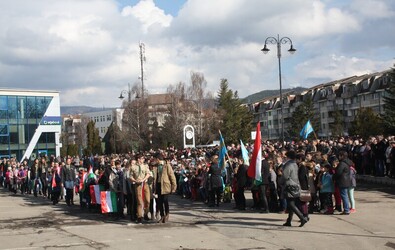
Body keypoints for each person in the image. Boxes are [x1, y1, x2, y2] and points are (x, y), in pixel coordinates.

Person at [281, 150, 308, 227]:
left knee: (291, 203)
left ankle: (302, 217)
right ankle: (289, 220)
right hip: (295, 185)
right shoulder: (295, 164)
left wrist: (281, 181)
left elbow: (285, 176)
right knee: (291, 204)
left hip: (289, 185)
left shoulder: (288, 165)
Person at [154, 155, 177, 223]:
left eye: (156, 159)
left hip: (165, 185)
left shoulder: (167, 165)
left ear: (158, 159)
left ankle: (167, 214)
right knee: (159, 202)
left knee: (165, 200)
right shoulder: (156, 166)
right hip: (158, 185)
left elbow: (172, 176)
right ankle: (162, 216)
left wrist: (174, 186)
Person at [129, 154, 151, 224]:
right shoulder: (133, 167)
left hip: (145, 184)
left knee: (147, 200)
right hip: (138, 185)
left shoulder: (145, 166)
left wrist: (143, 179)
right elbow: (130, 176)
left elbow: (148, 174)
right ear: (138, 159)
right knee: (139, 201)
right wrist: (135, 180)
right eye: (141, 158)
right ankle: (139, 216)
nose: (142, 160)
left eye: (143, 159)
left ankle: (146, 213)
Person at [334, 150, 352, 215]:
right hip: (346, 181)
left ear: (342, 156)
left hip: (342, 181)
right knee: (345, 195)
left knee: (344, 196)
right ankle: (346, 209)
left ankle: (346, 209)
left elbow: (338, 172)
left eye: (339, 156)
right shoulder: (347, 163)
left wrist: (334, 177)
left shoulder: (342, 163)